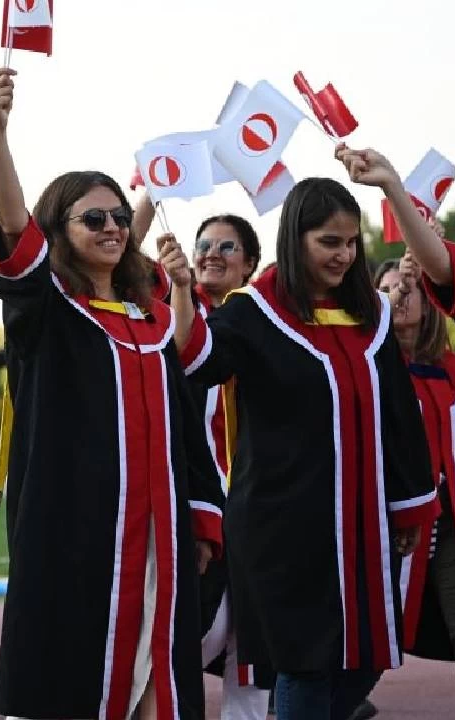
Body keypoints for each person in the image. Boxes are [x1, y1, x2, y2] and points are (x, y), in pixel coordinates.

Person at [0, 67, 225, 720]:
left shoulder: (149, 325)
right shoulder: (50, 310)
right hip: (78, 536)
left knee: (157, 675)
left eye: (120, 216)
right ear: (59, 229)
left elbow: (182, 426)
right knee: (77, 678)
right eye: (94, 218)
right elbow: (13, 228)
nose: (113, 227)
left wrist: (200, 514)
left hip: (158, 536)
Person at [173, 175, 438, 719]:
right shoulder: (254, 311)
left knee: (362, 660)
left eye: (351, 242)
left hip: (361, 528)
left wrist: (410, 502)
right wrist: (180, 290)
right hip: (283, 527)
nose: (345, 255)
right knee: (304, 661)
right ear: (296, 239)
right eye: (329, 242)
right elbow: (197, 360)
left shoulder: (372, 316)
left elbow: (398, 414)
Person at [359, 257, 455, 719]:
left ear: (429, 302)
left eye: (407, 288)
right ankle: (343, 703)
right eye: (385, 290)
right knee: (370, 623)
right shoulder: (365, 367)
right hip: (383, 521)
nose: (397, 297)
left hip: (450, 522)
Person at [156, 212, 275, 720]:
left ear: (251, 264)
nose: (211, 253)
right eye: (203, 243)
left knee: (249, 646)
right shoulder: (174, 319)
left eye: (227, 247)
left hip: (257, 505)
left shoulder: (273, 328)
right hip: (194, 502)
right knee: (188, 636)